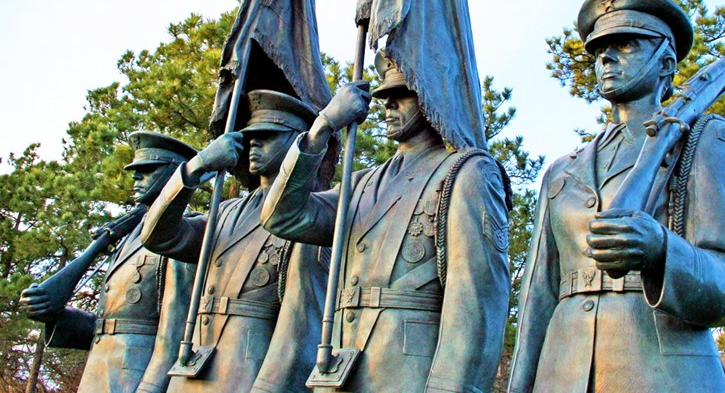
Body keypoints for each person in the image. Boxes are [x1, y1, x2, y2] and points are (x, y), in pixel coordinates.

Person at [508, 0, 725, 393]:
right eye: (600, 48)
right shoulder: (561, 171)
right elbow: (537, 301)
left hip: (664, 374)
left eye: (625, 44)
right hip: (560, 373)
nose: (605, 56)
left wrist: (661, 250)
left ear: (666, 61)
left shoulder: (703, 140)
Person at [262, 52, 510, 393]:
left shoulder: (465, 173)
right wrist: (321, 129)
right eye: (383, 96)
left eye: (402, 93)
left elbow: (476, 301)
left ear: (433, 92)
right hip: (339, 370)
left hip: (408, 375)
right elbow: (282, 217)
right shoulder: (359, 184)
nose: (389, 104)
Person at [140, 90, 328, 392]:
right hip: (192, 370)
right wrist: (195, 168)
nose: (253, 143)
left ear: (297, 140)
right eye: (251, 136)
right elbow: (157, 237)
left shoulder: (309, 217)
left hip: (247, 374)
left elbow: (299, 327)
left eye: (267, 136)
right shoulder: (223, 213)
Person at [20, 132, 198, 393]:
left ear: (174, 174)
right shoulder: (128, 235)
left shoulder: (184, 235)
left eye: (147, 170)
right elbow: (115, 319)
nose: (136, 177)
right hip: (101, 368)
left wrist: (153, 387)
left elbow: (174, 331)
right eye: (136, 171)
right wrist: (58, 316)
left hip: (136, 374)